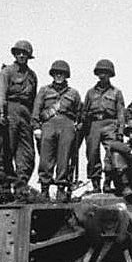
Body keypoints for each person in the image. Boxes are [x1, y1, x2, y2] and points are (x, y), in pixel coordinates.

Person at [31, 60, 83, 199]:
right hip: (48, 124)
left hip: (67, 125)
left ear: (66, 75)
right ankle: (44, 188)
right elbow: (36, 110)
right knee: (45, 158)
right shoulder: (44, 91)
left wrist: (77, 125)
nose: (59, 76)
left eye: (62, 74)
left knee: (64, 157)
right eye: (56, 73)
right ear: (52, 75)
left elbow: (80, 112)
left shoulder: (74, 93)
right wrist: (36, 127)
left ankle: (61, 187)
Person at [0, 40, 39, 181]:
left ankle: (21, 185)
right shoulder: (6, 72)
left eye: (24, 53)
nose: (21, 55)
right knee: (6, 151)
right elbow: (0, 94)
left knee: (28, 153)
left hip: (25, 114)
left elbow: (33, 99)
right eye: (18, 53)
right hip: (9, 112)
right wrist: (1, 113)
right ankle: (4, 188)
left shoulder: (32, 76)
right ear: (14, 54)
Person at [80, 59, 126, 192]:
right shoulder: (90, 92)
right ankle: (95, 184)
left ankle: (107, 182)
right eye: (100, 72)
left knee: (111, 154)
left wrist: (120, 131)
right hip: (93, 124)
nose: (102, 75)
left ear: (110, 74)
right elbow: (84, 111)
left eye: (105, 72)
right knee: (92, 153)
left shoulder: (116, 92)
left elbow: (121, 113)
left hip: (110, 124)